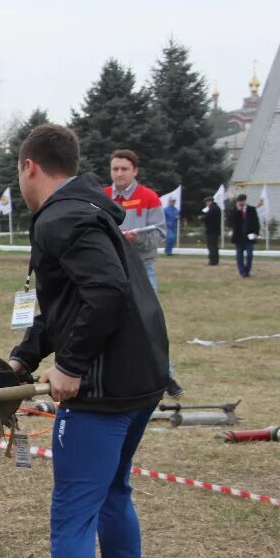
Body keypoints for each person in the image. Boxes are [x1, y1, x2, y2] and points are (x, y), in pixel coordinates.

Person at [1, 124, 169, 558]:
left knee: (72, 513)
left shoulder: (62, 217)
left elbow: (106, 293)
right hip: (141, 379)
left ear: (30, 166)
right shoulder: (87, 209)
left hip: (103, 389)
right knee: (114, 489)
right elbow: (66, 302)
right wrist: (25, 359)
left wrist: (69, 367)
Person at [106, 149, 181, 396]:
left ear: (134, 171)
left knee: (150, 323)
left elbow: (160, 233)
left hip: (142, 268)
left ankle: (166, 376)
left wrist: (137, 239)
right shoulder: (103, 196)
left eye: (124, 169)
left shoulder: (148, 197)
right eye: (115, 169)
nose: (119, 174)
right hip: (110, 269)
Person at [227, 193, 260, 278]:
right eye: (239, 202)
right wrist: (238, 211)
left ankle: (247, 270)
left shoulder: (251, 209)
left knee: (249, 255)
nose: (241, 203)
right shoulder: (234, 211)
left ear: (245, 201)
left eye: (242, 201)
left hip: (249, 236)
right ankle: (242, 272)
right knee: (239, 256)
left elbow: (256, 222)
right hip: (238, 237)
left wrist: (256, 233)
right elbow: (230, 222)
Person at [200, 195, 222, 266]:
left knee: (211, 246)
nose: (206, 204)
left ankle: (213, 261)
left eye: (206, 202)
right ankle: (215, 260)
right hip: (215, 230)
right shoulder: (216, 208)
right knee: (214, 246)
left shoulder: (213, 208)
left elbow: (208, 217)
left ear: (210, 202)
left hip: (212, 230)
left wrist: (202, 217)